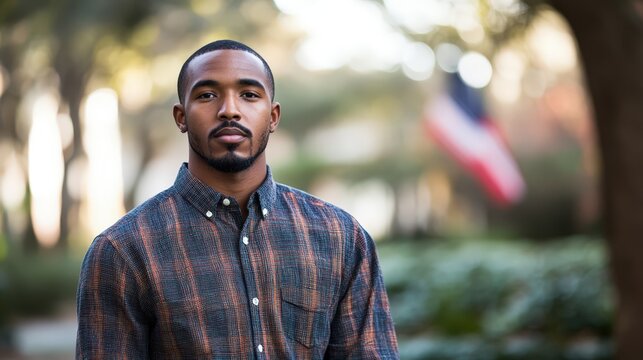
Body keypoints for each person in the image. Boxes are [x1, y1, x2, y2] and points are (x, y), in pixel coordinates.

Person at [76, 39, 399, 359]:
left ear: (273, 117)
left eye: (249, 95)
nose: (229, 110)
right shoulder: (124, 250)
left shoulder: (340, 236)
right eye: (207, 95)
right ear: (181, 117)